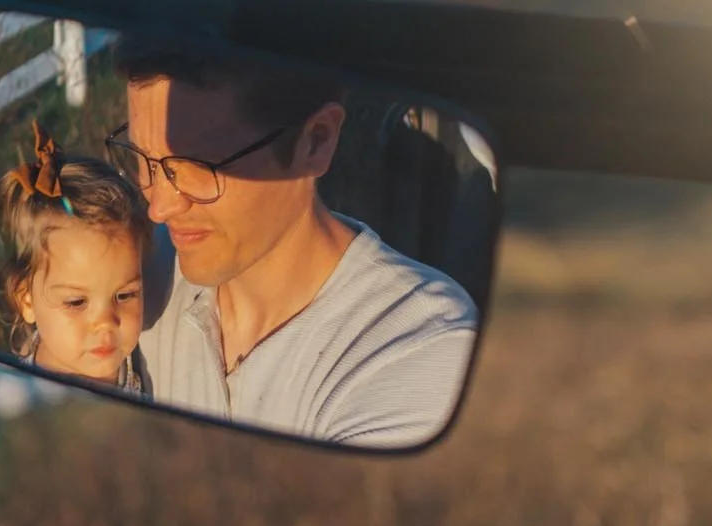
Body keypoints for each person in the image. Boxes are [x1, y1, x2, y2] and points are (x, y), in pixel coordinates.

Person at [107, 35, 477, 448]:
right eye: (142, 159)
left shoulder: (420, 345)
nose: (158, 206)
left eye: (195, 167)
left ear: (316, 142)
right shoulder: (130, 279)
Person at [0, 124, 151, 393]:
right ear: (26, 299)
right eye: (76, 302)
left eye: (125, 295)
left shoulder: (149, 361)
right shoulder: (15, 402)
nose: (105, 321)